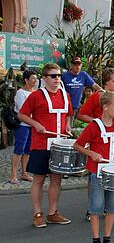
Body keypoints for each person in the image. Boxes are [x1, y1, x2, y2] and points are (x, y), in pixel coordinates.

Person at [18, 63, 74, 228]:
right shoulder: (36, 96)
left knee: (56, 179)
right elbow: (21, 115)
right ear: (44, 79)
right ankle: (37, 213)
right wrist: (35, 124)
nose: (57, 79)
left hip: (59, 144)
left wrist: (68, 125)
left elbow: (69, 114)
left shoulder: (65, 95)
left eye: (59, 76)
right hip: (41, 144)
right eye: (53, 76)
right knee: (39, 179)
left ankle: (53, 213)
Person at [73, 90, 114, 243]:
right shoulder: (94, 125)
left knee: (112, 208)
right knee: (95, 208)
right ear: (105, 107)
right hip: (98, 173)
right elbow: (78, 145)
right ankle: (95, 242)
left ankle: (107, 240)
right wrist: (91, 154)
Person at [10, 69, 36, 184]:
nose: (35, 80)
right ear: (26, 80)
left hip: (32, 125)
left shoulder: (35, 92)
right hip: (22, 125)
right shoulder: (21, 93)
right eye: (32, 78)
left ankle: (24, 172)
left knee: (28, 150)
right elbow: (22, 112)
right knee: (19, 149)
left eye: (36, 78)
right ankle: (14, 174)